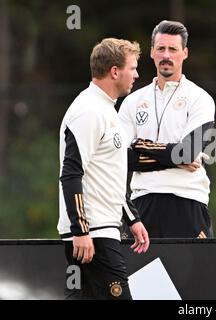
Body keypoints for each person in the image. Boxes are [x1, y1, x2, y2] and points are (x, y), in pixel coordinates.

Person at [58, 38, 149, 300]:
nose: (136, 74)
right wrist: (81, 230)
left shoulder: (106, 110)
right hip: (93, 236)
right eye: (132, 67)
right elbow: (71, 174)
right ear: (114, 71)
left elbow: (107, 173)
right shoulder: (88, 110)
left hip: (99, 231)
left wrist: (132, 217)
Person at [118, 20, 215, 239]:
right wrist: (175, 157)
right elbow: (120, 158)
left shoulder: (201, 99)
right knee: (136, 275)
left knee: (194, 275)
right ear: (152, 52)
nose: (166, 55)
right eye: (161, 49)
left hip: (188, 202)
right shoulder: (132, 102)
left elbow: (187, 153)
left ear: (185, 53)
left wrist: (140, 145)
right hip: (142, 204)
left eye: (173, 49)